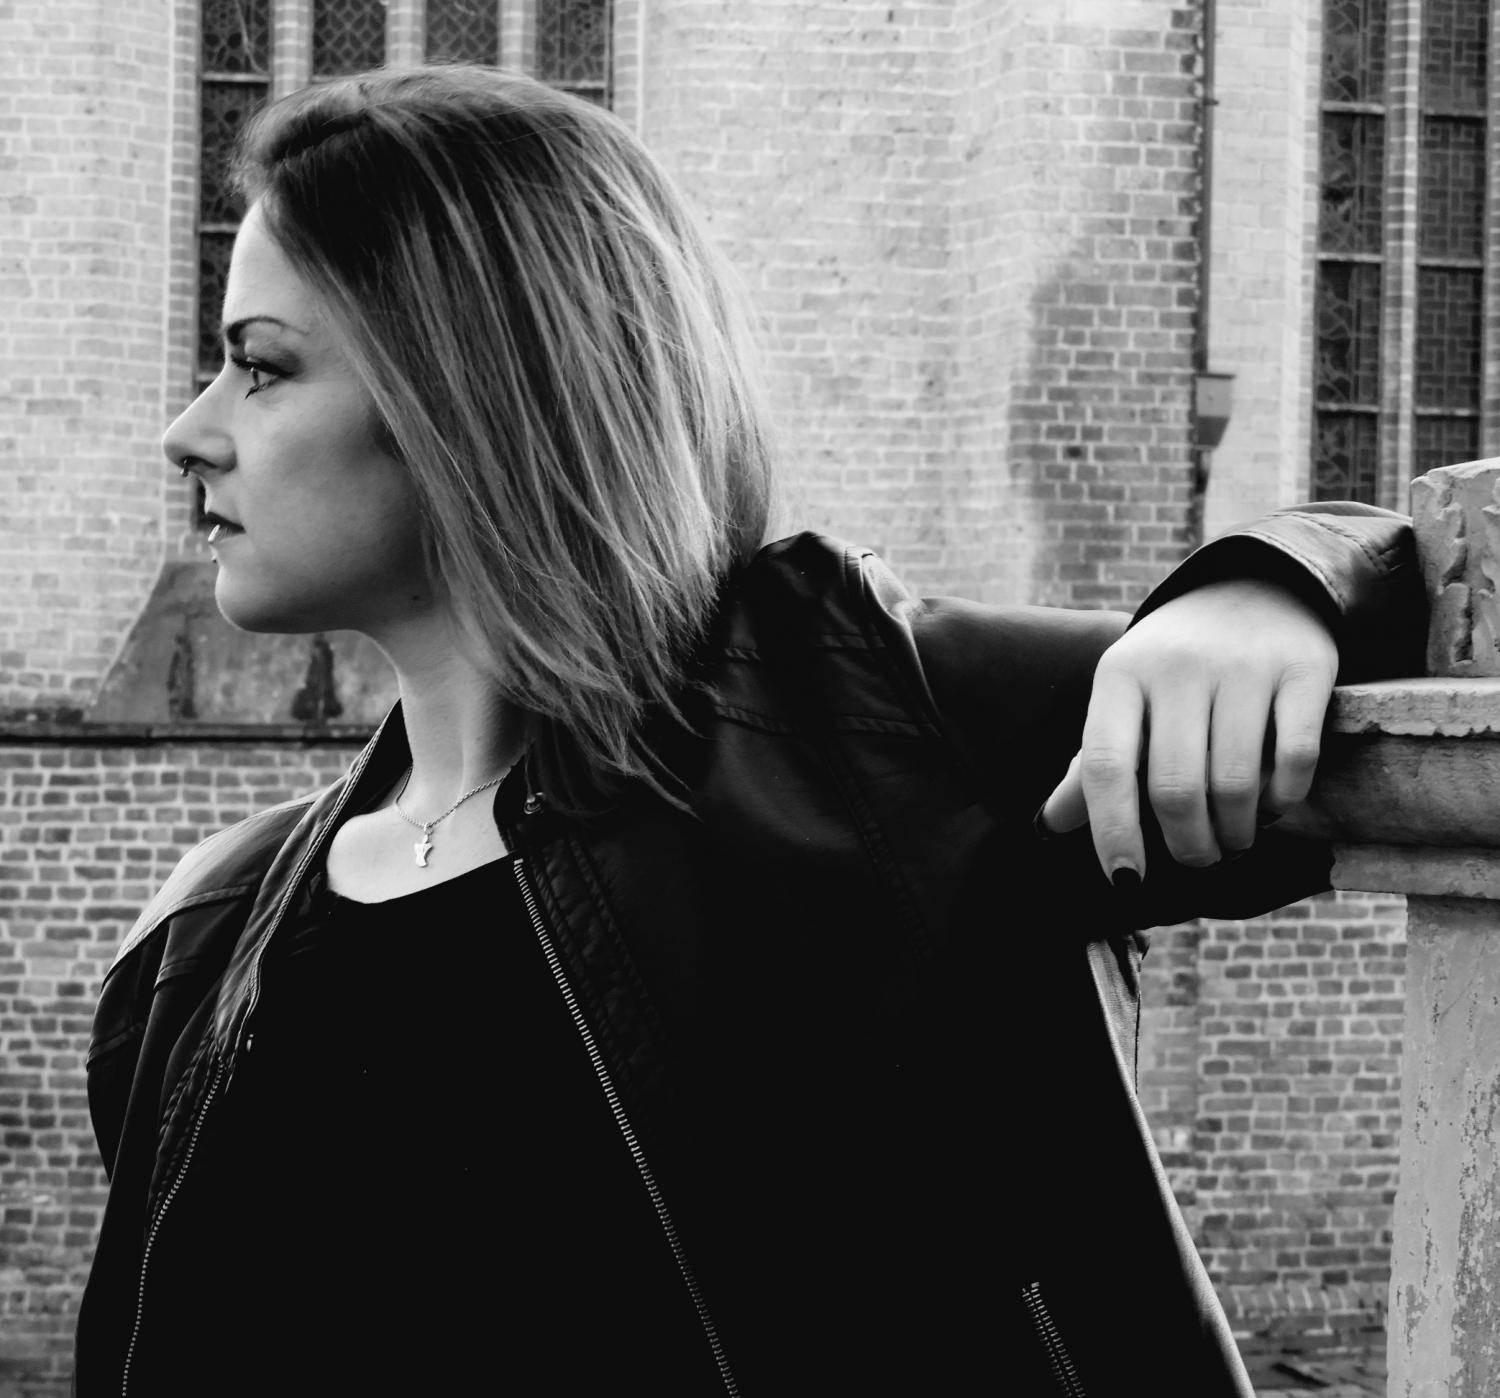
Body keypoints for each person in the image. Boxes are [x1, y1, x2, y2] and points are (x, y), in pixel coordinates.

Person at [74, 65, 1426, 1396]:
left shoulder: (860, 741)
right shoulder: (204, 943)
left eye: (260, 368)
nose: (188, 432)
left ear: (469, 388)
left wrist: (1274, 589)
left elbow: (1436, 626)